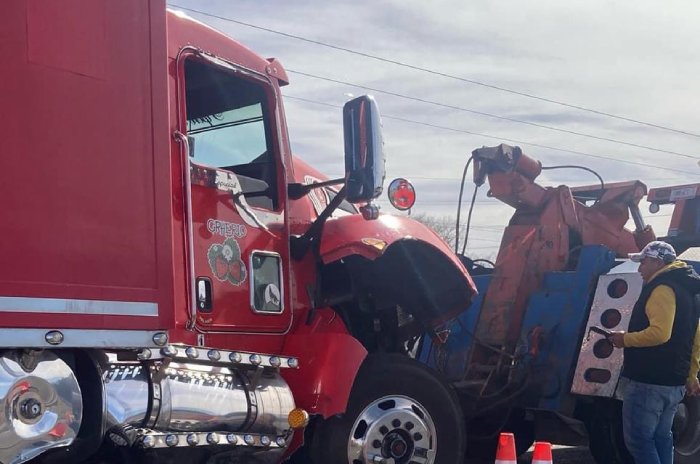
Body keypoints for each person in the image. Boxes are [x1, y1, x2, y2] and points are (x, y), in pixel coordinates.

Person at [609, 241, 700, 464]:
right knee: (661, 437)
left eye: (644, 262)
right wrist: (691, 375)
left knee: (639, 441)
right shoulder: (688, 290)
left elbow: (660, 333)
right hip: (673, 382)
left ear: (658, 262)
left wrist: (624, 340)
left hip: (649, 380)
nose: (640, 268)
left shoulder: (662, 288)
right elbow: (696, 338)